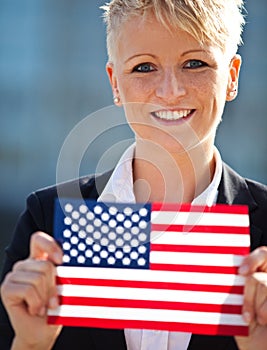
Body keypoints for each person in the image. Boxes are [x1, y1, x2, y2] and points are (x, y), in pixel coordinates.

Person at [1, 0, 267, 349]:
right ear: (115, 83)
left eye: (195, 63)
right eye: (144, 67)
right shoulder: (45, 222)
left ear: (231, 76)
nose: (171, 90)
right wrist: (31, 344)